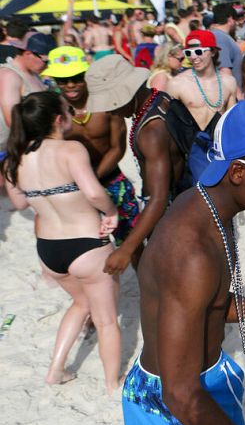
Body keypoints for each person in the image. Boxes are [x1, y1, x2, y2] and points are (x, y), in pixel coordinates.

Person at [121, 101, 245, 425]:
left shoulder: (205, 207)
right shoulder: (190, 252)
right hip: (175, 411)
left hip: (199, 388)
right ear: (238, 173)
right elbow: (179, 396)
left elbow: (206, 304)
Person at [2, 91, 121, 393]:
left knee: (81, 302)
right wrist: (111, 211)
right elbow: (94, 192)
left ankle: (55, 369)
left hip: (49, 249)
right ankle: (112, 383)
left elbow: (18, 203)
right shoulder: (71, 149)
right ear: (59, 119)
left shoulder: (16, 157)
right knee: (106, 319)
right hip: (86, 244)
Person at [85, 55, 185, 274]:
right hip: (181, 201)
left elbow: (159, 199)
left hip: (170, 212)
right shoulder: (160, 99)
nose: (109, 111)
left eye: (110, 103)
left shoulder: (151, 132)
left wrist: (126, 249)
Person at [44, 46, 139, 245]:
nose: (70, 85)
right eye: (62, 80)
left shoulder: (107, 103)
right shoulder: (52, 112)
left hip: (114, 182)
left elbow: (117, 148)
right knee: (90, 244)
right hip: (75, 189)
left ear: (86, 75)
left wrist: (92, 179)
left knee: (131, 242)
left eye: (77, 77)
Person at [166, 30, 238, 131]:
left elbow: (232, 120)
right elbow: (169, 124)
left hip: (220, 143)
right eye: (188, 53)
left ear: (213, 52)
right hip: (190, 144)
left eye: (199, 52)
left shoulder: (229, 82)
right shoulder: (176, 84)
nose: (194, 57)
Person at [0, 33, 54, 167]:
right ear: (28, 53)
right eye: (45, 61)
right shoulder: (9, 75)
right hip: (9, 148)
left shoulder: (33, 73)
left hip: (31, 144)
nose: (47, 66)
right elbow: (11, 119)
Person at [209, 3, 244, 88]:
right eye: (236, 19)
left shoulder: (220, 36)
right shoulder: (220, 37)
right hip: (232, 96)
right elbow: (224, 72)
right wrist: (238, 96)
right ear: (230, 19)